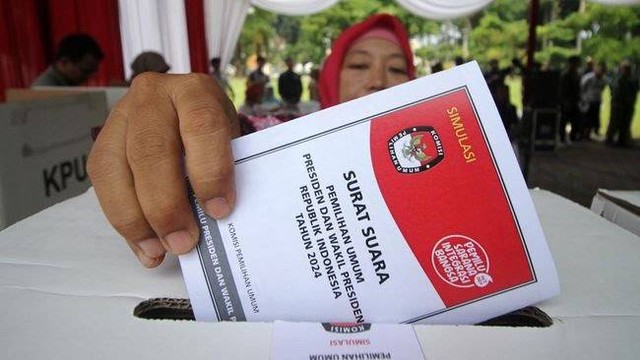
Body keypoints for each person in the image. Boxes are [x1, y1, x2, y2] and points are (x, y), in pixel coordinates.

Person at [88, 13, 415, 268]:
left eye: (398, 69)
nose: (377, 82)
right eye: (359, 64)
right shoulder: (283, 134)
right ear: (329, 76)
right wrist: (185, 123)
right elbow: (237, 134)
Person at [31, 33, 104, 87]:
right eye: (85, 71)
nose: (88, 77)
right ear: (64, 62)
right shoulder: (46, 89)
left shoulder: (69, 82)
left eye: (92, 72)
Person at [606, 60, 639, 147]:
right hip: (619, 105)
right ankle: (610, 139)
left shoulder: (630, 80)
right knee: (615, 122)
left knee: (625, 123)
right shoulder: (619, 80)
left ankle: (622, 139)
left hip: (627, 105)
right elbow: (615, 92)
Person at [579, 62, 607, 139]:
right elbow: (582, 87)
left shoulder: (603, 79)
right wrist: (583, 98)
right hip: (588, 100)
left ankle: (593, 132)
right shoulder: (588, 78)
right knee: (586, 118)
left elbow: (602, 88)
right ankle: (584, 133)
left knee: (595, 118)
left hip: (597, 100)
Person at [559, 56, 582, 143]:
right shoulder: (566, 75)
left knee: (575, 119)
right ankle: (562, 136)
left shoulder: (576, 74)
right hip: (567, 100)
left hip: (574, 100)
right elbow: (563, 89)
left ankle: (572, 135)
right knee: (564, 119)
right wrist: (564, 101)